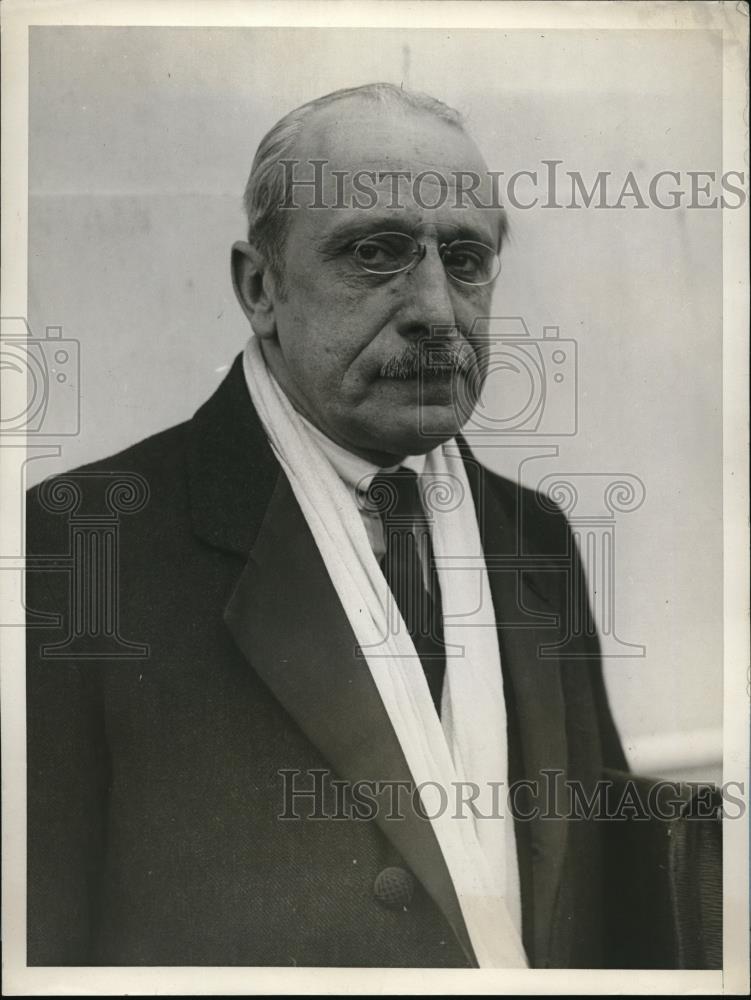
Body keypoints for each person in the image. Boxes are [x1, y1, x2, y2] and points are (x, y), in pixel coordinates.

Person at [26, 83, 628, 969]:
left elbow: (596, 899)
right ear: (259, 286)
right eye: (375, 252)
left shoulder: (534, 536)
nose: (434, 308)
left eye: (464, 260)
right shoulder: (80, 547)